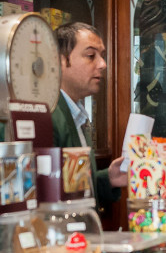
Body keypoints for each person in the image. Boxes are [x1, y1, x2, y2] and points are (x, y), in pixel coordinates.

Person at [52, 22, 126, 206]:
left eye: (102, 56)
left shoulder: (76, 114)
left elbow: (75, 186)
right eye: (91, 56)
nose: (102, 64)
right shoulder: (47, 116)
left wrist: (108, 179)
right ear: (60, 60)